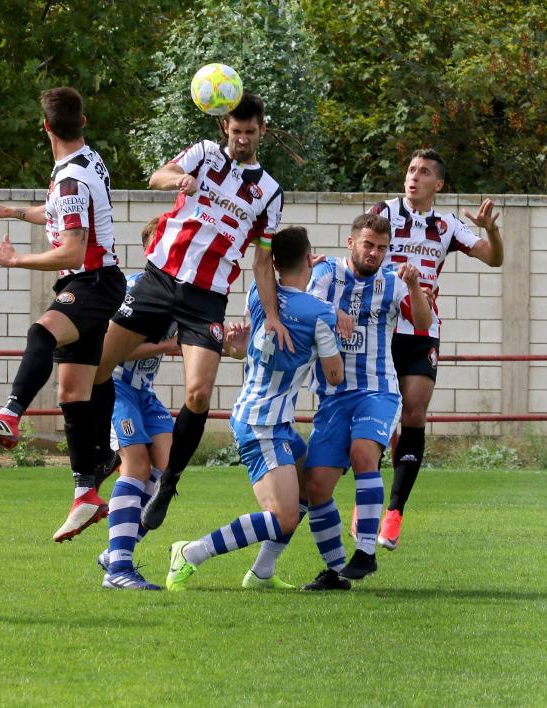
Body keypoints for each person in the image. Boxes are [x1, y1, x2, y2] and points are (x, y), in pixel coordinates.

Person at [90, 91, 292, 535]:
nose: (242, 139)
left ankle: (168, 485)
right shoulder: (202, 155)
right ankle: (100, 453)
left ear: (262, 131)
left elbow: (261, 260)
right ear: (226, 128)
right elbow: (156, 176)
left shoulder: (271, 192)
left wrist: (271, 315)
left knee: (199, 395)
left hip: (207, 298)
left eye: (250, 132)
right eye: (236, 131)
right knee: (99, 364)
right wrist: (177, 181)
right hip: (159, 279)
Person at [0, 87, 127, 543]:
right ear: (82, 122)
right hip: (94, 282)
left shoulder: (70, 179)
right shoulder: (88, 162)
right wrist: (13, 211)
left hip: (92, 283)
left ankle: (10, 415)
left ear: (44, 126)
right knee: (73, 393)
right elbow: (58, 212)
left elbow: (69, 248)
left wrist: (15, 260)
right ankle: (86, 492)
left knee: (41, 332)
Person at [164, 226, 344, 591]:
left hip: (264, 417)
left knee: (308, 485)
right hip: (264, 424)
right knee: (283, 517)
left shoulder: (258, 295)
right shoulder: (322, 312)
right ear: (309, 258)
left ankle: (262, 573)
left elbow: (278, 304)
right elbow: (335, 375)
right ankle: (192, 552)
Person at [365, 148, 504, 550]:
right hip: (379, 326)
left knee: (413, 412)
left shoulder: (448, 225)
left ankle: (394, 512)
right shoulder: (385, 212)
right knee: (376, 415)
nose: (413, 176)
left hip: (422, 329)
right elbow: (361, 248)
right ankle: (367, 504)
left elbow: (494, 259)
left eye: (423, 172)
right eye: (411, 169)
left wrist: (490, 230)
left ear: (437, 184)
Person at [298, 213, 432, 590]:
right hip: (332, 395)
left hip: (378, 390)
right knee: (317, 486)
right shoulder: (326, 274)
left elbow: (423, 322)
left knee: (362, 454)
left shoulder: (393, 281)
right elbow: (304, 309)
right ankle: (335, 569)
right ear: (351, 242)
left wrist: (416, 286)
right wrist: (333, 311)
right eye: (368, 245)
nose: (375, 253)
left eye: (382, 248)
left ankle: (367, 552)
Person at [96, 217, 179, 590]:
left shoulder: (182, 295)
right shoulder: (133, 288)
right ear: (150, 250)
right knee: (138, 465)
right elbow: (114, 349)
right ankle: (119, 571)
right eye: (160, 243)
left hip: (145, 392)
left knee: (169, 468)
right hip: (116, 388)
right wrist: (165, 346)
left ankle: (117, 551)